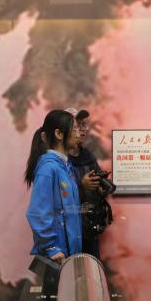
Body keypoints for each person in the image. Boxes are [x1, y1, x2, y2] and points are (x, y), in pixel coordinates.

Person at [25, 110, 83, 301]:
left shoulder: (64, 167)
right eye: (74, 129)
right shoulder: (49, 169)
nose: (79, 133)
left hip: (68, 255)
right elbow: (37, 212)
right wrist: (51, 247)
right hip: (57, 256)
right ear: (59, 134)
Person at [65, 107, 112, 258]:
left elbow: (97, 179)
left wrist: (100, 188)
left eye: (83, 124)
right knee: (70, 269)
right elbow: (58, 196)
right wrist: (81, 185)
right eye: (77, 125)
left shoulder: (87, 155)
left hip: (89, 225)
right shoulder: (59, 160)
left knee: (91, 267)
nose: (83, 129)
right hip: (69, 228)